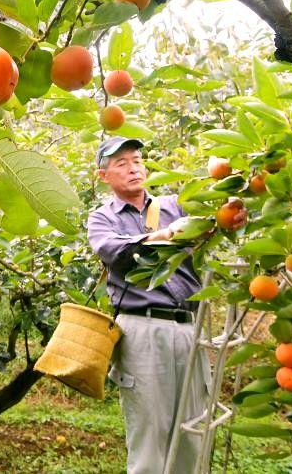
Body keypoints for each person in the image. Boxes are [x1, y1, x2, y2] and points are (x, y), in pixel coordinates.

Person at [87, 136, 230, 474]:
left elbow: (216, 216)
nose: (133, 167)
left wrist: (231, 197)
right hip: (141, 331)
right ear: (103, 176)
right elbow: (114, 252)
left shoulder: (176, 205)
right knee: (150, 431)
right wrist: (165, 236)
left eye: (136, 160)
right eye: (121, 163)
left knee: (193, 429)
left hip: (189, 328)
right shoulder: (102, 218)